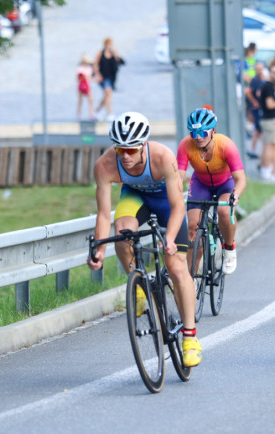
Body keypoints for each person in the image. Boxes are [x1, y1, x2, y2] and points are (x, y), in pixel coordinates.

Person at [88, 111, 203, 366]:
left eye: (131, 150)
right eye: (120, 150)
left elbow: (177, 206)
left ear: (143, 145)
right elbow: (104, 214)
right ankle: (138, 285)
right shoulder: (105, 165)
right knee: (122, 233)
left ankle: (190, 337)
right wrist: (98, 249)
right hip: (135, 196)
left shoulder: (163, 157)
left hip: (166, 204)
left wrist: (170, 239)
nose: (125, 157)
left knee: (175, 265)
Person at [177, 108, 247, 275]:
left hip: (225, 184)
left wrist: (235, 196)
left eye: (203, 132)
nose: (198, 137)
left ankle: (229, 248)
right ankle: (190, 277)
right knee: (193, 229)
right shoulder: (185, 145)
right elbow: (178, 176)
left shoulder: (226, 145)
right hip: (200, 184)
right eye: (194, 133)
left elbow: (241, 179)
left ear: (213, 130)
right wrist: (175, 195)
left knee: (224, 211)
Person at [259, 64, 275, 182]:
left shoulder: (267, 86)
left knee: (269, 146)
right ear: (270, 72)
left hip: (268, 120)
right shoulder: (268, 86)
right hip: (269, 120)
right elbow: (269, 104)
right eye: (274, 72)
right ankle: (267, 171)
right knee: (269, 147)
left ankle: (268, 171)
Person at [93, 37, 123, 122]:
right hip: (103, 77)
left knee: (107, 95)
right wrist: (98, 75)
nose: (109, 46)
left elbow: (118, 62)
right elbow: (95, 64)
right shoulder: (100, 53)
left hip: (111, 77)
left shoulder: (112, 53)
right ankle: (109, 113)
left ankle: (97, 110)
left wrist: (115, 55)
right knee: (108, 92)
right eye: (108, 44)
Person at [245, 62, 266, 159]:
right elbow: (248, 92)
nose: (259, 71)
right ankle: (255, 150)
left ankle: (256, 150)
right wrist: (254, 102)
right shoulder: (255, 80)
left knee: (258, 130)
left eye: (260, 69)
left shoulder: (263, 79)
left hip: (261, 108)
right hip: (257, 109)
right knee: (258, 129)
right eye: (257, 69)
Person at [76, 54, 94, 121]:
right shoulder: (80, 68)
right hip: (81, 86)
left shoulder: (89, 68)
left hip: (87, 86)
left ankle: (91, 115)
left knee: (90, 101)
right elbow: (78, 78)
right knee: (80, 101)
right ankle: (79, 115)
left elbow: (90, 78)